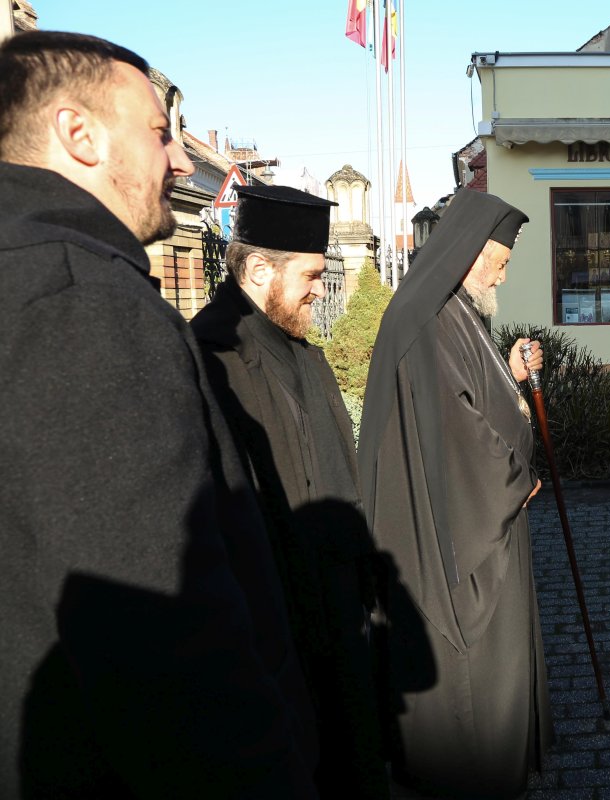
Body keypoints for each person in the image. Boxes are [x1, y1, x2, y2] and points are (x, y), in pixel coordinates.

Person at [0, 31, 319, 798]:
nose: (180, 160)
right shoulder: (84, 302)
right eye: (159, 131)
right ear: (79, 134)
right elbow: (158, 630)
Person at [191, 184, 387, 799]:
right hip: (277, 632)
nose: (318, 289)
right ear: (256, 268)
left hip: (335, 617)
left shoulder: (300, 348)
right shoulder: (207, 359)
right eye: (310, 275)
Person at [358, 189, 552, 799]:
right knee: (475, 681)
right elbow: (453, 428)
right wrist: (513, 481)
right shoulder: (429, 316)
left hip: (475, 518)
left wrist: (511, 373)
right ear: (470, 253)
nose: (504, 269)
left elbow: (468, 388)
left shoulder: (453, 308)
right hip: (460, 537)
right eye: (500, 257)